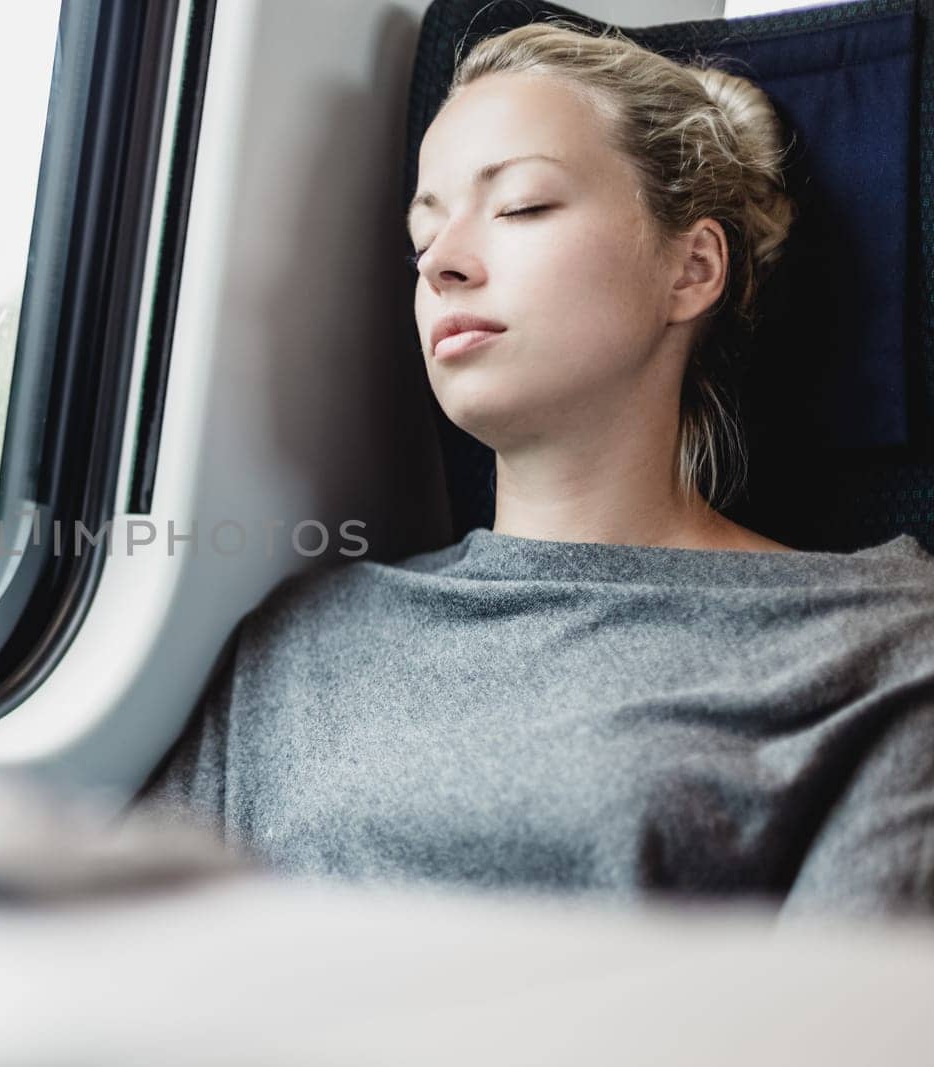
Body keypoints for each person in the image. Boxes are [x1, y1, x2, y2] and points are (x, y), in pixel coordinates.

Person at [134, 21, 934, 920]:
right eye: (421, 237)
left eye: (519, 207)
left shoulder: (879, 647)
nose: (441, 263)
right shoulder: (300, 645)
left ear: (692, 267)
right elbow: (121, 951)